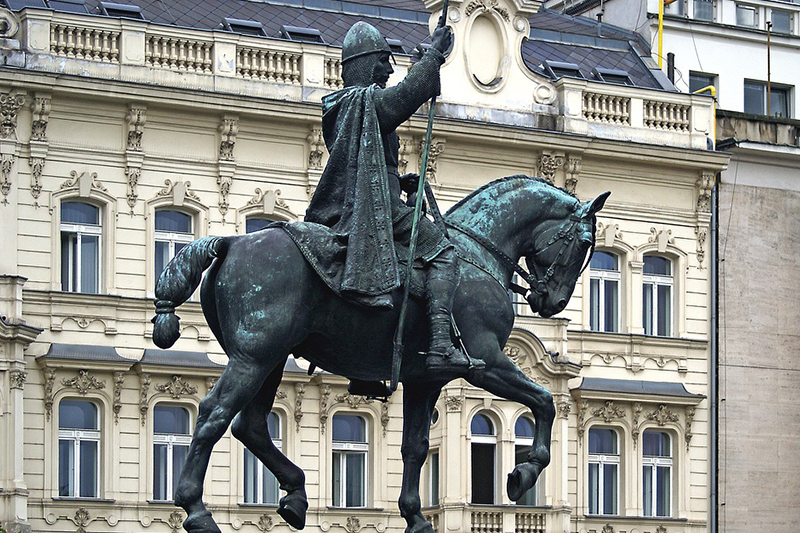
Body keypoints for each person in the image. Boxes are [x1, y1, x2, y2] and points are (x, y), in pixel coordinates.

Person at [304, 21, 470, 381]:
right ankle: (441, 342)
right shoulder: (360, 101)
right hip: (370, 208)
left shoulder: (349, 106)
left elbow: (371, 160)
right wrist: (434, 54)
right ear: (365, 63)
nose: (389, 69)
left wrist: (399, 179)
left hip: (376, 195)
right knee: (442, 250)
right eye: (383, 61)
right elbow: (405, 96)